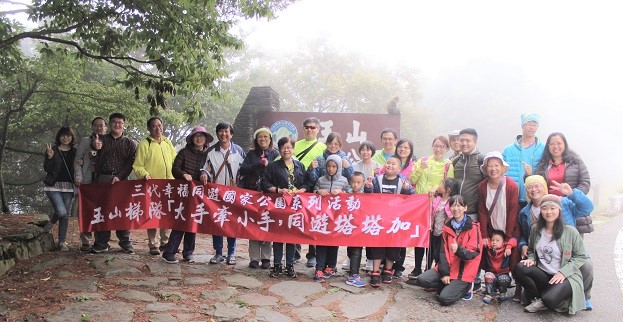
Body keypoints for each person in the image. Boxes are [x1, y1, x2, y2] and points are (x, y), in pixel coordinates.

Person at [518, 175, 594, 309]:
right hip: (546, 261)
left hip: (568, 254)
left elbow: (587, 209)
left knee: (586, 264)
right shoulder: (525, 213)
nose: (534, 189)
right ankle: (539, 295)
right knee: (520, 267)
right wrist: (524, 246)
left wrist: (572, 193)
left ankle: (583, 296)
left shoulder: (563, 202)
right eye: (530, 187)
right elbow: (526, 235)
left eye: (537, 186)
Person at [415, 195, 483, 306]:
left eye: (459, 205)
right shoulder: (447, 227)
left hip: (463, 273)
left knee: (444, 299)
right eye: (453, 205)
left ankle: (466, 287)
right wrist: (445, 273)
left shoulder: (473, 228)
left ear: (465, 208)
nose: (456, 208)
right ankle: (446, 283)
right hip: (448, 269)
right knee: (422, 280)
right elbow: (442, 253)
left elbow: (473, 254)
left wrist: (458, 250)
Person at [161, 126, 213, 264]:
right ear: (192, 139)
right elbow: (175, 168)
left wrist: (205, 174)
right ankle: (169, 252)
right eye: (196, 136)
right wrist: (183, 174)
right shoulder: (184, 152)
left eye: (202, 136)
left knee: (193, 222)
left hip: (199, 194)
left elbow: (210, 170)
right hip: (184, 192)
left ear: (205, 139)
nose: (199, 138)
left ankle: (188, 253)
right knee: (180, 221)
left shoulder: (208, 154)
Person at [364, 155, 414, 287]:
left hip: (395, 221)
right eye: (388, 163)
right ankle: (375, 271)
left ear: (399, 168)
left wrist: (407, 189)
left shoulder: (403, 180)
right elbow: (369, 196)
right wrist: (368, 187)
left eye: (393, 164)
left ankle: (388, 270)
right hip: (379, 220)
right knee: (377, 245)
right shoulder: (377, 180)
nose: (390, 166)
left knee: (393, 246)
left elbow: (409, 196)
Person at [408, 136, 454, 278]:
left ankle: (431, 268)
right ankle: (417, 268)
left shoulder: (448, 165)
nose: (438, 149)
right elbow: (412, 180)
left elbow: (449, 186)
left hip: (435, 205)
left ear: (446, 149)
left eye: (442, 147)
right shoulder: (423, 160)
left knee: (433, 237)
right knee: (419, 235)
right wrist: (420, 169)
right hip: (419, 204)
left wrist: (436, 190)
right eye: (436, 145)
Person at [261, 136, 308, 278]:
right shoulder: (273, 166)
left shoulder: (300, 166)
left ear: (293, 149)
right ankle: (276, 266)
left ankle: (290, 266)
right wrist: (278, 190)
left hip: (295, 206)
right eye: (283, 147)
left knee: (292, 236)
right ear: (279, 149)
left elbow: (306, 184)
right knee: (278, 236)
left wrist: (301, 190)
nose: (286, 150)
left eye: (289, 147)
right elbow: (264, 183)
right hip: (278, 206)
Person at [91, 112, 137, 254]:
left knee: (123, 211)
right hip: (103, 179)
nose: (117, 125)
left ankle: (125, 243)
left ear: (124, 125)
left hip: (122, 181)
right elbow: (92, 157)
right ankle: (101, 243)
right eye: (114, 122)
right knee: (103, 211)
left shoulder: (129, 143)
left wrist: (120, 176)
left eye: (120, 123)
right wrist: (95, 148)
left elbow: (131, 163)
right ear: (109, 124)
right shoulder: (101, 139)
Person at [201, 122, 245, 265]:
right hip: (216, 194)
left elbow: (245, 171)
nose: (223, 134)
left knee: (231, 223)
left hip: (233, 194)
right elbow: (205, 168)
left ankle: (231, 253)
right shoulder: (211, 152)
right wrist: (204, 174)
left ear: (231, 134)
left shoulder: (239, 151)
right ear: (217, 133)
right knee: (217, 223)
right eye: (220, 131)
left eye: (226, 131)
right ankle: (218, 253)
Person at [133, 116, 176, 255]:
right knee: (153, 214)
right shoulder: (145, 144)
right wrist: (144, 174)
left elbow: (175, 162)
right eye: (154, 126)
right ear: (149, 128)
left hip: (169, 185)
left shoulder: (168, 142)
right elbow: (137, 165)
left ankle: (165, 242)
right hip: (152, 186)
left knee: (167, 214)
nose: (158, 128)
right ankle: (153, 244)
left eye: (160, 125)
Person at [405, 178, 461, 285]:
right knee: (429, 251)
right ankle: (424, 270)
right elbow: (430, 209)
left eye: (441, 184)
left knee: (438, 254)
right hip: (433, 230)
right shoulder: (438, 199)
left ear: (448, 189)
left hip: (443, 233)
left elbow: (450, 217)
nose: (439, 186)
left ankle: (435, 273)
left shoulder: (451, 202)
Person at [535, 132, 592, 235]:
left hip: (571, 206)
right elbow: (537, 184)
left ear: (564, 144)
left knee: (573, 243)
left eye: (559, 143)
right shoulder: (543, 164)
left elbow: (585, 182)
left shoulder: (575, 161)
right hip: (550, 208)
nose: (555, 146)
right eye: (552, 144)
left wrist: (571, 196)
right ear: (548, 146)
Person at [238, 127, 279, 269]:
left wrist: (269, 165)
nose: (263, 139)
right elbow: (242, 170)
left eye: (266, 137)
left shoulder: (275, 153)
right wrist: (257, 163)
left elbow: (279, 171)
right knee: (253, 224)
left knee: (267, 224)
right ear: (256, 140)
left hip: (269, 195)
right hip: (253, 194)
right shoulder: (251, 154)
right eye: (260, 137)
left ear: (270, 139)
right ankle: (254, 258)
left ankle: (266, 258)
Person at [292, 117, 326, 267]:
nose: (309, 129)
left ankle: (312, 254)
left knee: (314, 220)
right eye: (307, 127)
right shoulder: (295, 145)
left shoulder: (323, 147)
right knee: (296, 219)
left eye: (313, 127)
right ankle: (294, 252)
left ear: (318, 129)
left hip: (314, 188)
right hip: (297, 187)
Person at [312, 154, 350, 283]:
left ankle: (331, 266)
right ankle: (319, 267)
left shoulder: (344, 181)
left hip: (337, 218)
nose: (331, 169)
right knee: (321, 243)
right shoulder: (321, 180)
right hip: (322, 218)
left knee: (334, 243)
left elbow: (350, 194)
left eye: (334, 166)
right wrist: (318, 192)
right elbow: (313, 192)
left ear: (338, 167)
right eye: (328, 166)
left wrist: (342, 193)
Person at [477, 152, 520, 262]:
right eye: (490, 166)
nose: (493, 169)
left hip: (509, 228)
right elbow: (482, 211)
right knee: (492, 259)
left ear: (502, 168)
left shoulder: (511, 186)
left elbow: (513, 212)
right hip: (492, 229)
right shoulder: (482, 186)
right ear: (486, 169)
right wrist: (484, 234)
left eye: (496, 165)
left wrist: (508, 237)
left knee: (510, 260)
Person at [73, 117, 107, 252]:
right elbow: (77, 159)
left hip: (102, 182)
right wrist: (78, 175)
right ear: (92, 127)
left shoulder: (108, 142)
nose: (99, 128)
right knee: (84, 210)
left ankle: (101, 240)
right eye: (96, 125)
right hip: (86, 180)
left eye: (102, 126)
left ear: (106, 128)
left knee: (102, 211)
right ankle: (85, 240)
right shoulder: (85, 141)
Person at [43, 126, 77, 252]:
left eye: (68, 135)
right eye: (63, 135)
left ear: (72, 137)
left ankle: (61, 242)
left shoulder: (75, 151)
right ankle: (51, 223)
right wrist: (50, 157)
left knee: (65, 216)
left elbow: (79, 166)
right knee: (61, 212)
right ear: (59, 137)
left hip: (68, 186)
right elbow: (46, 168)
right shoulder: (53, 150)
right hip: (53, 185)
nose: (65, 137)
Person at [502, 114, 545, 209]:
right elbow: (500, 170)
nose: (532, 127)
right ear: (522, 126)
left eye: (535, 124)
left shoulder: (543, 149)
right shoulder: (509, 150)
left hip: (535, 197)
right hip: (512, 196)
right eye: (529, 124)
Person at [453, 128, 485, 222]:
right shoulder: (456, 160)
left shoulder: (482, 160)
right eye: (461, 140)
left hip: (474, 213)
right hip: (455, 212)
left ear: (475, 142)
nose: (464, 143)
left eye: (468, 140)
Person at [344, 171, 368, 287]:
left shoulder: (366, 196)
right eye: (353, 182)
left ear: (363, 183)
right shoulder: (345, 194)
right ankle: (352, 272)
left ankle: (353, 274)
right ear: (349, 182)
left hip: (360, 228)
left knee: (356, 249)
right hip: (347, 226)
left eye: (359, 182)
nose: (355, 185)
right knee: (351, 249)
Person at [482, 230, 516, 304]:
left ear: (503, 242)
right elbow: (485, 240)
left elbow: (514, 240)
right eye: (493, 240)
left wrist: (509, 246)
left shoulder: (505, 249)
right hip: (492, 274)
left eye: (498, 240)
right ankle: (489, 294)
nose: (494, 242)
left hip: (503, 274)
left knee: (503, 279)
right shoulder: (489, 248)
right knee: (488, 276)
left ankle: (503, 292)